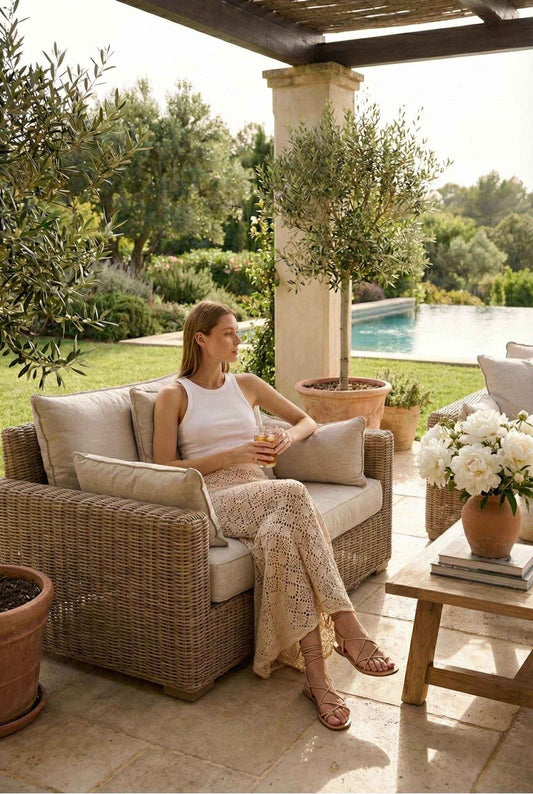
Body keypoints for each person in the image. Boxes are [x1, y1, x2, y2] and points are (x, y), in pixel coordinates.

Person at [153, 300, 397, 731]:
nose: (238, 340)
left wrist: (286, 440)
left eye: (236, 331)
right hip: (214, 497)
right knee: (292, 493)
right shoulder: (175, 395)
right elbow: (161, 469)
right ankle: (348, 627)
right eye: (228, 333)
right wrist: (231, 454)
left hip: (262, 489)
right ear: (201, 339)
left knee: (281, 538)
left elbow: (306, 420)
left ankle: (318, 680)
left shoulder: (246, 384)